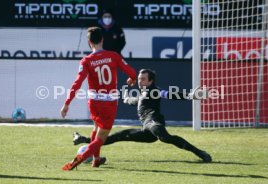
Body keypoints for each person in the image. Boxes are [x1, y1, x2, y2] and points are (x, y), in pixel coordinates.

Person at [72, 69, 212, 163]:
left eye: (143, 79)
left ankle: (200, 153)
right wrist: (126, 92)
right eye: (139, 79)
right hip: (147, 130)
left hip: (154, 122)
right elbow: (130, 100)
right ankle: (82, 139)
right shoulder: (142, 95)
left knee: (165, 137)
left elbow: (169, 94)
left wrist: (190, 96)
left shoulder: (154, 90)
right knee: (117, 136)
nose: (140, 81)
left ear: (150, 81)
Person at [61, 26, 136, 171]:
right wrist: (132, 79)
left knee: (96, 128)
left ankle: (96, 160)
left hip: (94, 102)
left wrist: (67, 103)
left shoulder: (86, 61)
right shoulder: (114, 56)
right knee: (101, 139)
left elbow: (77, 83)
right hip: (109, 102)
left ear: (89, 42)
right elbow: (132, 72)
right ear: (102, 39)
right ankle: (75, 162)